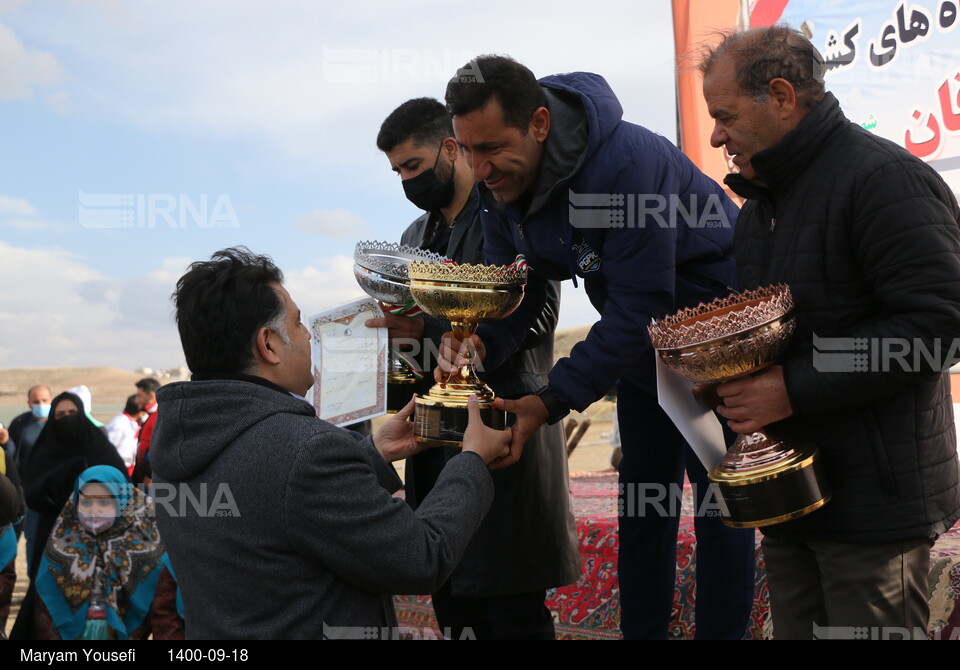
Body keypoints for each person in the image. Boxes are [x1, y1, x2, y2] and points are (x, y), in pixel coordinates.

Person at [441, 55, 756, 639]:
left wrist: (551, 398)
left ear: (539, 124)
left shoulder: (627, 163)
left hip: (714, 334)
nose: (479, 169)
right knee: (643, 502)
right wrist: (482, 340)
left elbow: (642, 302)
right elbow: (518, 283)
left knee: (720, 507)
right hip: (639, 347)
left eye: (491, 148)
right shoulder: (498, 185)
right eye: (466, 150)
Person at [698, 25, 960, 639]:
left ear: (783, 97)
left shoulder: (883, 180)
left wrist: (793, 387)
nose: (715, 135)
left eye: (725, 115)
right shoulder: (761, 206)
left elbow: (938, 327)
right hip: (792, 500)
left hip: (872, 508)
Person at [151, 247, 511, 639]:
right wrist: (472, 460)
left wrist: (371, 454)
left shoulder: (178, 440)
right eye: (299, 323)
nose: (309, 336)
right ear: (268, 344)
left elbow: (269, 507)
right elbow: (422, 558)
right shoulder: (307, 451)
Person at [371, 97, 579, 639]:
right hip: (434, 452)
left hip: (503, 433)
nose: (406, 181)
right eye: (396, 171)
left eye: (412, 166)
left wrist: (441, 334)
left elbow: (540, 314)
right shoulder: (413, 239)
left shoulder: (509, 213)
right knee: (455, 606)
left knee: (511, 615)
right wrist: (397, 346)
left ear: (449, 148)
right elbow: (415, 346)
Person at [11, 465, 182, 640]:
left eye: (104, 502)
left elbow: (164, 615)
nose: (94, 510)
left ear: (122, 501)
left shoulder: (148, 545)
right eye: (86, 502)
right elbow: (46, 601)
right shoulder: (62, 538)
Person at [21, 391, 127, 580]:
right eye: (61, 415)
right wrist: (70, 471)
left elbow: (123, 487)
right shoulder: (43, 452)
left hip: (103, 533)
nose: (67, 418)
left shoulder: (101, 448)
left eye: (72, 412)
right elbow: (33, 493)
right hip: (53, 533)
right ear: (53, 420)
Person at [7, 385, 52, 565]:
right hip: (26, 493)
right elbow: (10, 456)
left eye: (44, 401)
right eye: (36, 401)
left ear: (51, 400)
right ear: (28, 403)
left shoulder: (59, 424)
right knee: (30, 537)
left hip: (54, 494)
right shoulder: (20, 424)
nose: (40, 404)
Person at [105, 395, 142, 476]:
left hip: (129, 470)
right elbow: (107, 450)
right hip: (117, 471)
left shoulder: (133, 423)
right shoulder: (119, 425)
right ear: (140, 412)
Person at [132, 378, 160, 484]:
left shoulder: (158, 415)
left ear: (151, 396)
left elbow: (158, 448)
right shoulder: (150, 415)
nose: (137, 400)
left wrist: (149, 475)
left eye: (140, 396)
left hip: (150, 481)